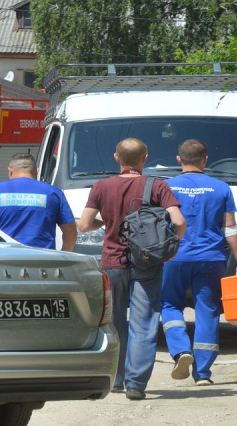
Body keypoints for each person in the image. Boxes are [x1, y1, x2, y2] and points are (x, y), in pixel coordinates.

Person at [77, 137, 185, 401]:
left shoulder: (101, 186)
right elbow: (179, 221)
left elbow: (83, 225)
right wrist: (171, 249)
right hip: (148, 262)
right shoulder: (157, 185)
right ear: (145, 158)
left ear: (117, 158)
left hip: (112, 263)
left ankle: (116, 379)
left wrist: (108, 222)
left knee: (113, 324)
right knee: (144, 323)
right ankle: (136, 384)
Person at [163, 139, 237, 386]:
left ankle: (180, 351)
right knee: (208, 310)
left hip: (173, 257)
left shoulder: (165, 187)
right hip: (212, 259)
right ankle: (203, 374)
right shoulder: (221, 188)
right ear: (205, 159)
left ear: (179, 159)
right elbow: (230, 228)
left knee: (169, 304)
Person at [0, 153, 76, 251]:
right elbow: (70, 233)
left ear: (10, 171)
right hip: (43, 261)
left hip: (2, 259)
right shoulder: (54, 193)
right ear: (36, 171)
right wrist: (62, 256)